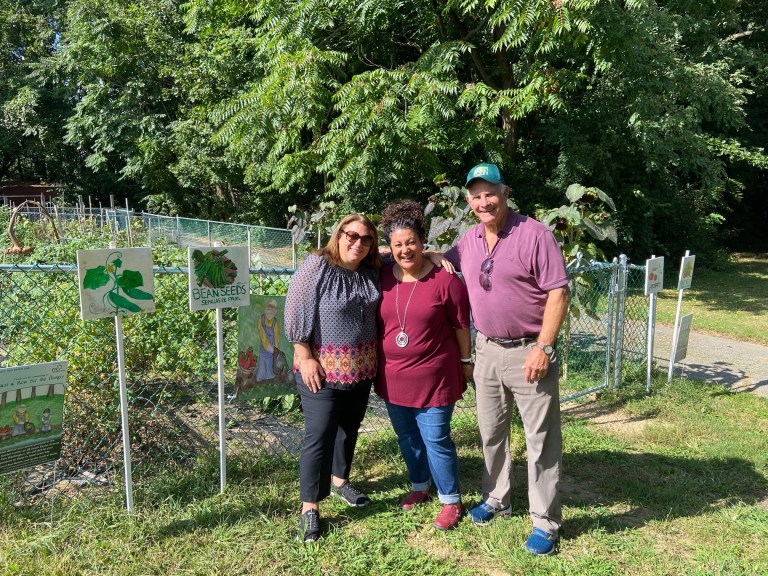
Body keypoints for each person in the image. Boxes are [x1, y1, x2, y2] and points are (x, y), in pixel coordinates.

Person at [444, 163, 570, 555]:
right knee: (491, 432)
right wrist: (389, 254)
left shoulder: (535, 235)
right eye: (477, 195)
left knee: (541, 440)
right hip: (487, 350)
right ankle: (498, 498)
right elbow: (439, 260)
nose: (484, 202)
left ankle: (545, 521)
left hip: (529, 351)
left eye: (490, 193)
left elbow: (558, 293)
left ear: (505, 192)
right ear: (469, 201)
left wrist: (544, 348)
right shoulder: (468, 240)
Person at [375, 200, 473, 531]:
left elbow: (461, 326)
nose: (405, 250)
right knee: (407, 438)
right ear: (390, 248)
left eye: (412, 242)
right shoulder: (382, 277)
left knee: (436, 438)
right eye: (398, 244)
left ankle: (451, 500)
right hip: (393, 378)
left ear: (422, 242)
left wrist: (466, 362)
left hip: (436, 378)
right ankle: (420, 486)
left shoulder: (445, 280)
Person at [285, 214, 382, 543]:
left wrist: (434, 255)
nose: (357, 242)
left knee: (349, 427)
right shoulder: (318, 265)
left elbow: (404, 253)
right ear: (338, 235)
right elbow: (296, 308)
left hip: (361, 369)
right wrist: (304, 355)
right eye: (351, 235)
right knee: (320, 433)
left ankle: (341, 481)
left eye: (366, 239)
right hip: (321, 370)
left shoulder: (371, 271)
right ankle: (309, 507)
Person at [256, 299, 280, 382]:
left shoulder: (275, 322)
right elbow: (262, 334)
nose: (270, 311)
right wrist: (267, 346)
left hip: (272, 344)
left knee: (270, 359)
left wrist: (276, 348)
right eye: (269, 309)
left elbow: (276, 336)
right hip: (264, 344)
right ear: (265, 309)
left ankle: (269, 375)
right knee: (262, 358)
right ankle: (261, 376)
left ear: (276, 311)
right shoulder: (261, 319)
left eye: (273, 310)